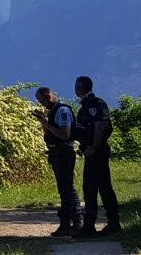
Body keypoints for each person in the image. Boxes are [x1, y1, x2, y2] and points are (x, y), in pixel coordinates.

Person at [73, 75, 121, 236]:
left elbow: (101, 126)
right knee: (102, 187)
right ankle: (112, 223)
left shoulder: (93, 104)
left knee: (92, 188)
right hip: (92, 151)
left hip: (96, 153)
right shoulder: (90, 104)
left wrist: (93, 147)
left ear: (79, 88)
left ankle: (91, 226)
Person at [32, 87, 81, 236]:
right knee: (63, 188)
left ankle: (75, 220)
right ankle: (67, 222)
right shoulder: (53, 111)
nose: (43, 104)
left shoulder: (62, 111)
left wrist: (46, 123)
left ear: (48, 96)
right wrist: (43, 121)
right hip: (56, 152)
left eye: (42, 101)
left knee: (67, 187)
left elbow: (64, 135)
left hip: (64, 152)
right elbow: (50, 132)